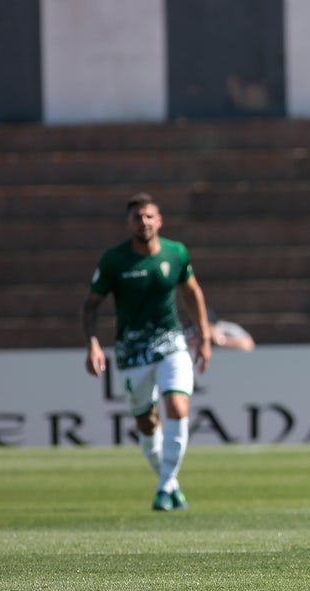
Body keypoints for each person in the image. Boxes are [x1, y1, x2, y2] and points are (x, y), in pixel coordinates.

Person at [82, 193, 212, 512]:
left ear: (160, 220)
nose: (144, 222)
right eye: (137, 217)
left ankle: (164, 487)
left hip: (171, 344)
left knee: (177, 406)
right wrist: (93, 343)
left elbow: (192, 291)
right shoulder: (115, 260)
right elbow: (91, 305)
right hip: (132, 351)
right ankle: (171, 485)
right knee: (146, 423)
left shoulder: (175, 253)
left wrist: (205, 337)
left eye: (149, 216)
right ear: (128, 224)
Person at [185, 308, 256, 352]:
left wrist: (222, 341)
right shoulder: (191, 332)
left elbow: (249, 344)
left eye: (208, 325)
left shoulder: (225, 328)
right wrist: (200, 341)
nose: (205, 329)